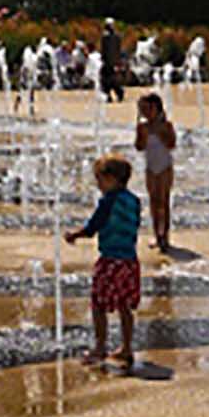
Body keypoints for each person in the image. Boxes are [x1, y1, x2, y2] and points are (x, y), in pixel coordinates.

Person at [65, 152, 142, 370]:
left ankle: (100, 347)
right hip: (130, 261)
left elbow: (92, 228)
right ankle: (126, 347)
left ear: (112, 179)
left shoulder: (108, 201)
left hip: (110, 262)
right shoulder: (134, 201)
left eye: (99, 179)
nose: (98, 184)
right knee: (125, 306)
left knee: (98, 305)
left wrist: (74, 235)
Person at [135, 91, 177, 252]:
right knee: (153, 202)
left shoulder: (166, 125)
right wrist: (142, 136)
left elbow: (172, 144)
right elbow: (139, 147)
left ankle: (165, 235)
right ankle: (156, 235)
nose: (144, 112)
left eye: (147, 108)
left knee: (164, 201)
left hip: (165, 167)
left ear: (156, 108)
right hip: (150, 168)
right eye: (142, 109)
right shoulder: (143, 127)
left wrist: (160, 133)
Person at [99, 19, 124, 103]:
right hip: (109, 62)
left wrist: (117, 61)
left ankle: (118, 93)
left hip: (111, 62)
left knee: (111, 80)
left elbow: (115, 50)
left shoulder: (110, 37)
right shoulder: (111, 37)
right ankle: (109, 95)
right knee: (106, 80)